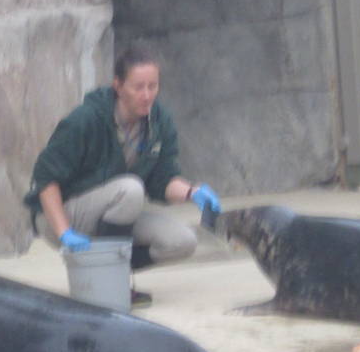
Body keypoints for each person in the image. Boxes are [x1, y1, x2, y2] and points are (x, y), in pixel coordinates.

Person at [23, 43, 223, 306]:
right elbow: (45, 178)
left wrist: (192, 192)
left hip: (114, 211)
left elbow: (163, 179)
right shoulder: (86, 119)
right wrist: (64, 233)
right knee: (130, 190)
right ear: (118, 86)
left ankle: (106, 273)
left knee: (182, 241)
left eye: (153, 86)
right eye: (138, 87)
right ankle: (109, 284)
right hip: (62, 215)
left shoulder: (158, 122)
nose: (147, 95)